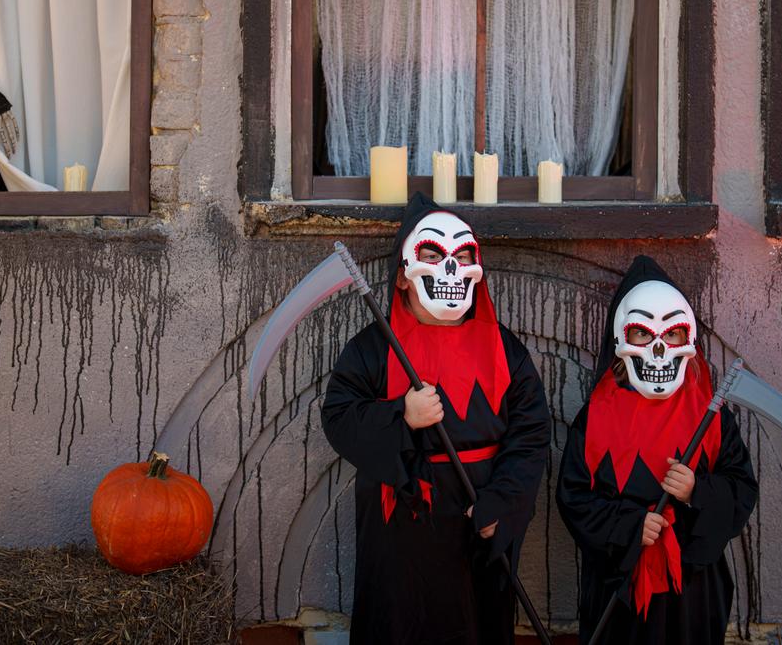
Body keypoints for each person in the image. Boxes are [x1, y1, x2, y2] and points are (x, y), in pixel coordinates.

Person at [321, 193, 551, 644]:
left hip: (477, 518)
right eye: (432, 255)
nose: (450, 268)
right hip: (401, 531)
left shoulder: (506, 351)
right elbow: (340, 418)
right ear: (404, 277)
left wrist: (502, 503)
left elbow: (531, 433)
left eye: (462, 256)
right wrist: (401, 415)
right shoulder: (372, 348)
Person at [557, 256, 757, 644]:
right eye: (643, 335)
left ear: (688, 342)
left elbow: (742, 488)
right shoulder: (595, 417)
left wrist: (697, 491)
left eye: (673, 335)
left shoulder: (711, 417)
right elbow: (573, 498)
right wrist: (629, 525)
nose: (660, 349)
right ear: (621, 341)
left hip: (693, 592)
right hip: (620, 589)